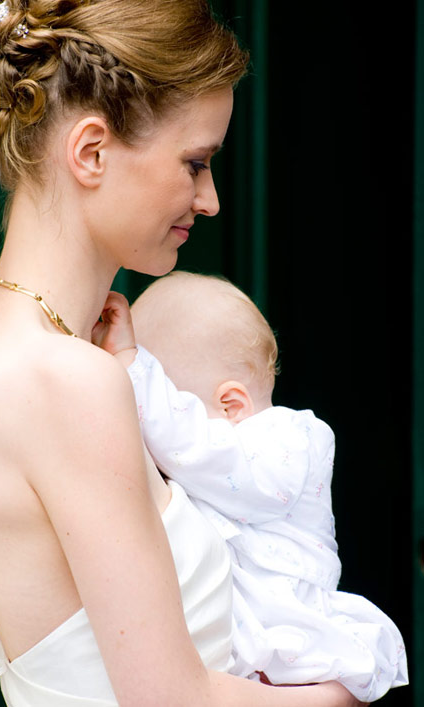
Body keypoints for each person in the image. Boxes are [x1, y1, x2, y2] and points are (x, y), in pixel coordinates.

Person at [0, 0, 367, 705]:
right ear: (91, 152)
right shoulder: (68, 381)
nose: (210, 200)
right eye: (195, 164)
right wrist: (347, 691)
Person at [94, 271, 408, 703]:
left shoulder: (291, 440)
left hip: (294, 638)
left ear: (231, 405)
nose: (147, 425)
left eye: (167, 401)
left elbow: (191, 447)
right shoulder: (211, 467)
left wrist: (130, 363)